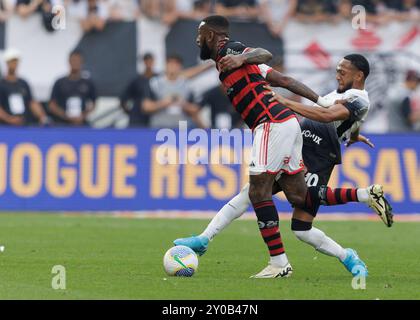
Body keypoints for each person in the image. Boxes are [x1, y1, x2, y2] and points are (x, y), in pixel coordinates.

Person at [182, 16, 391, 278]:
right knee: (294, 207)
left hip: (297, 136)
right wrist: (342, 122)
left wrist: (245, 61)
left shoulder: (231, 50)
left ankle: (278, 263)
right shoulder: (232, 65)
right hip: (294, 129)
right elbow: (287, 80)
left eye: (200, 34)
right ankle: (204, 239)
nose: (197, 39)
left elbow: (264, 54)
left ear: (211, 35)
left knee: (259, 192)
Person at [143, 54, 206, 129]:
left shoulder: (187, 85)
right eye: (170, 63)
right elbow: (146, 107)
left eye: (176, 64)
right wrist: (164, 103)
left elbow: (196, 109)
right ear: (165, 65)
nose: (173, 67)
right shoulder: (155, 83)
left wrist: (183, 104)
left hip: (182, 128)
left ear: (180, 66)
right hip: (159, 127)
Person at [0, 48, 48, 126]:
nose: (14, 64)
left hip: (24, 124)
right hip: (5, 127)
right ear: (7, 63)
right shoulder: (1, 84)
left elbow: (31, 102)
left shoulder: (23, 83)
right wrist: (9, 119)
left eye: (16, 61)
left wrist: (42, 117)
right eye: (11, 61)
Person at [48, 50, 97, 126]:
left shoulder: (88, 83)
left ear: (82, 62)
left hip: (81, 123)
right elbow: (52, 105)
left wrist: (83, 115)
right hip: (63, 124)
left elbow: (93, 103)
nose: (75, 63)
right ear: (69, 62)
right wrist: (65, 116)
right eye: (73, 60)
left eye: (78, 61)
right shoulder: (60, 82)